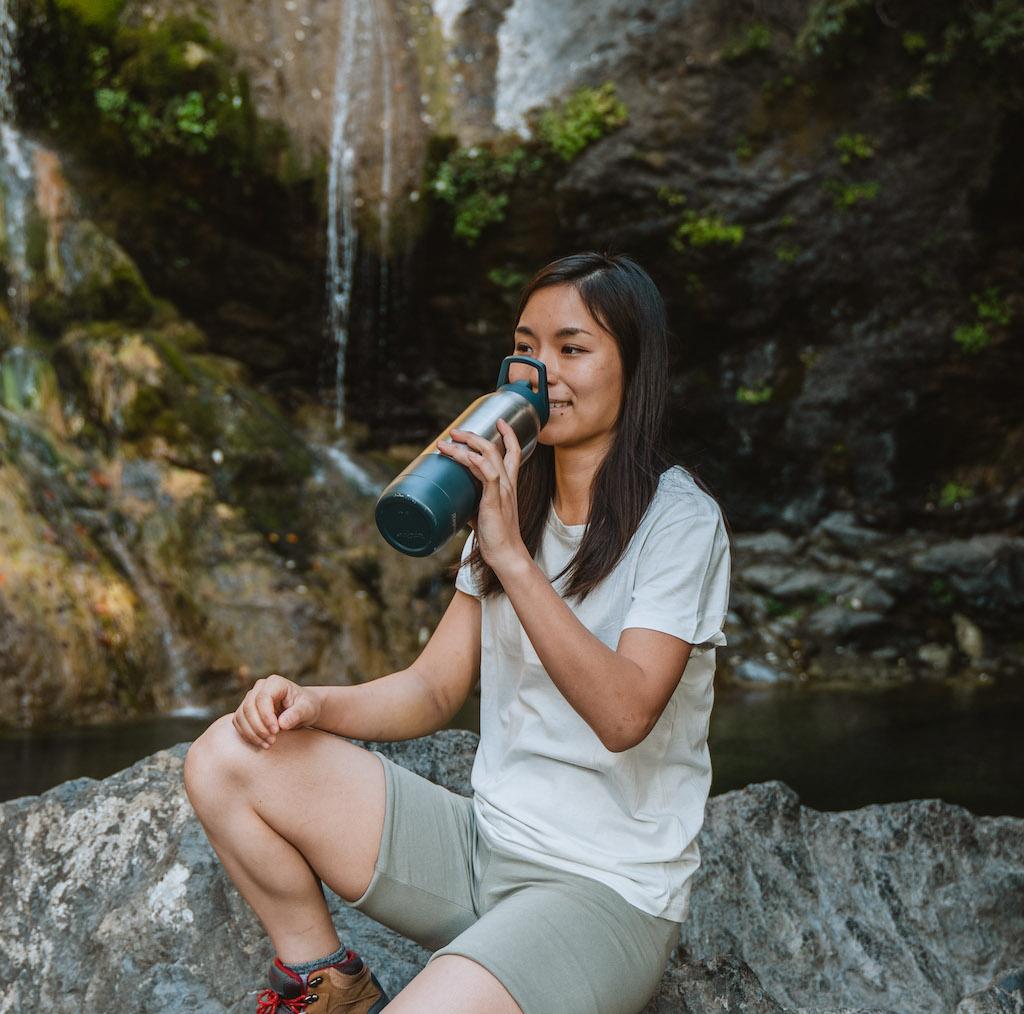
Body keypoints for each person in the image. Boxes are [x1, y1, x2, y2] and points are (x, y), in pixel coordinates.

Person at [183, 251, 732, 1014]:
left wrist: (508, 553)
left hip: (602, 893)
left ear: (633, 369)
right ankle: (328, 982)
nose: (541, 372)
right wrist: (311, 704)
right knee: (226, 757)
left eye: (572, 349)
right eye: (526, 348)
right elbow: (432, 687)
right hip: (480, 851)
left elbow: (624, 715)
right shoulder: (512, 498)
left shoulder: (680, 521)